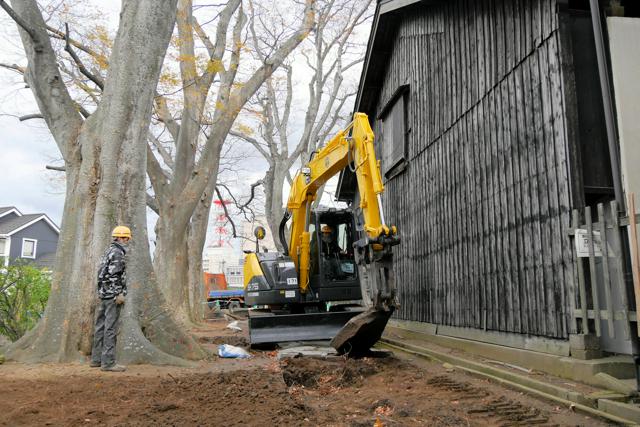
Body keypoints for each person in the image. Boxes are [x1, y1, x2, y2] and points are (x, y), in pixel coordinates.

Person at [90, 225, 130, 372]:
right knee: (110, 328)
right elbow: (114, 275)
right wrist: (118, 293)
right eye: (126, 238)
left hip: (103, 294)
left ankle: (96, 359)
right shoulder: (118, 253)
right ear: (120, 237)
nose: (127, 240)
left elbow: (101, 273)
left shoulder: (108, 251)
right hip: (112, 296)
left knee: (100, 326)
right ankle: (108, 363)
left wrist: (103, 292)